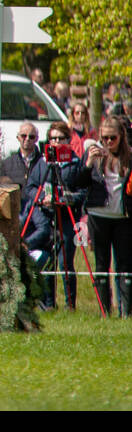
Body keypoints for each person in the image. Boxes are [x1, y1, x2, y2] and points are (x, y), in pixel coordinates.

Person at [20, 122, 86, 310]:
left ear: (68, 140)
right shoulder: (43, 162)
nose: (56, 142)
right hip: (47, 217)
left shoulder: (75, 163)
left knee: (66, 262)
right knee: (48, 261)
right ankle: (48, 304)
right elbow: (31, 187)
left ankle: (70, 304)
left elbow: (83, 192)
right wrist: (42, 198)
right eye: (53, 139)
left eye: (60, 138)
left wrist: (67, 198)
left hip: (67, 218)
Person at [70, 118, 132, 316]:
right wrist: (88, 164)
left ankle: (125, 312)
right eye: (104, 138)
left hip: (123, 216)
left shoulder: (129, 156)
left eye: (112, 138)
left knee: (124, 264)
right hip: (98, 215)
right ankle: (105, 311)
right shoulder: (94, 155)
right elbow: (78, 182)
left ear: (121, 136)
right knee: (101, 264)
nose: (107, 142)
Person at [1, 122, 42, 187]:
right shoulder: (7, 164)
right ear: (18, 138)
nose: (27, 139)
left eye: (31, 137)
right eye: (24, 136)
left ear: (36, 139)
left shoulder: (43, 162)